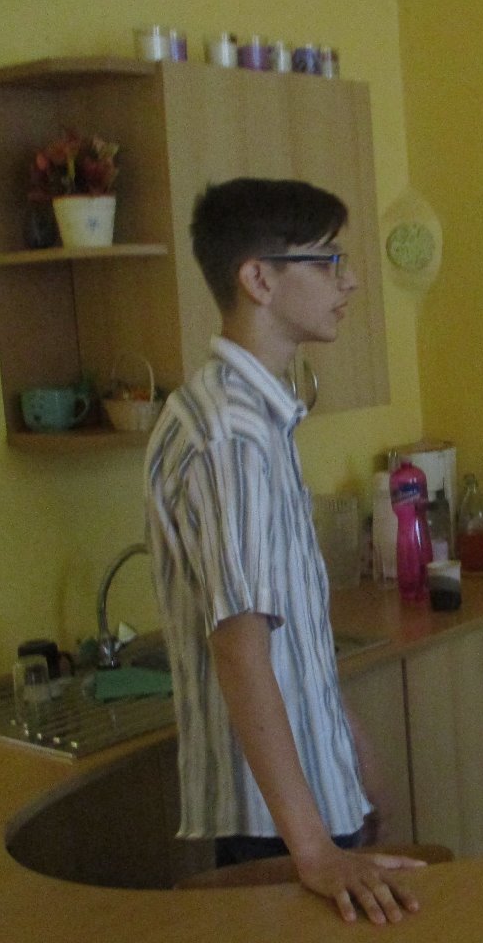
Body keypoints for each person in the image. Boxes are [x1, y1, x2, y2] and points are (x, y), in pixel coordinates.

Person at [145, 178, 422, 924]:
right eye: (327, 260)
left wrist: (350, 754)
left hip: (300, 800)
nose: (349, 280)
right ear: (259, 279)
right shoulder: (230, 434)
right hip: (274, 823)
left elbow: (290, 638)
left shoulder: (255, 415)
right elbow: (240, 651)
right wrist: (316, 850)